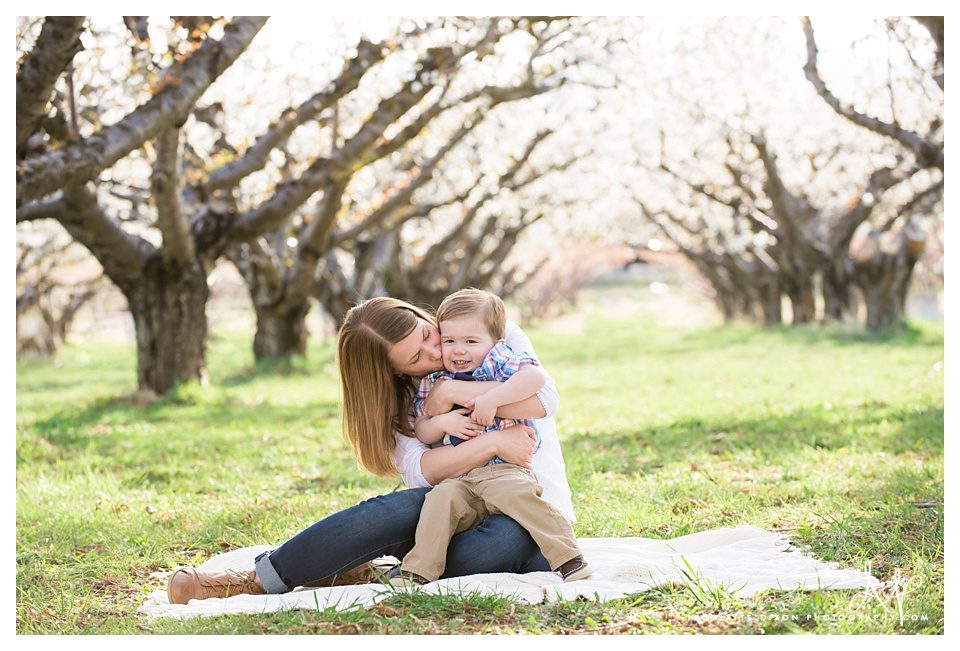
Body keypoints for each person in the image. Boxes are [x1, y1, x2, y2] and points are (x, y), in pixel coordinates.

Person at [166, 296, 575, 604]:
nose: (440, 352)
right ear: (395, 371)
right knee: (401, 508)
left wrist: (452, 391)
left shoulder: (481, 325)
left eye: (428, 335)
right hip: (454, 504)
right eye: (417, 357)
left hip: (528, 508)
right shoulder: (396, 399)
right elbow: (425, 471)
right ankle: (259, 578)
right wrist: (492, 441)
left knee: (495, 546)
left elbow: (544, 399)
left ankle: (360, 570)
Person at [391, 289, 590, 586]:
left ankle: (569, 558)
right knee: (439, 500)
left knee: (520, 497)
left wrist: (493, 399)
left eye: (470, 342)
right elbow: (422, 429)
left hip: (504, 470)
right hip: (462, 478)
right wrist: (441, 421)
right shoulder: (434, 381)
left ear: (495, 341)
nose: (458, 351)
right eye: (449, 341)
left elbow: (535, 379)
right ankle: (418, 570)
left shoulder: (498, 360)